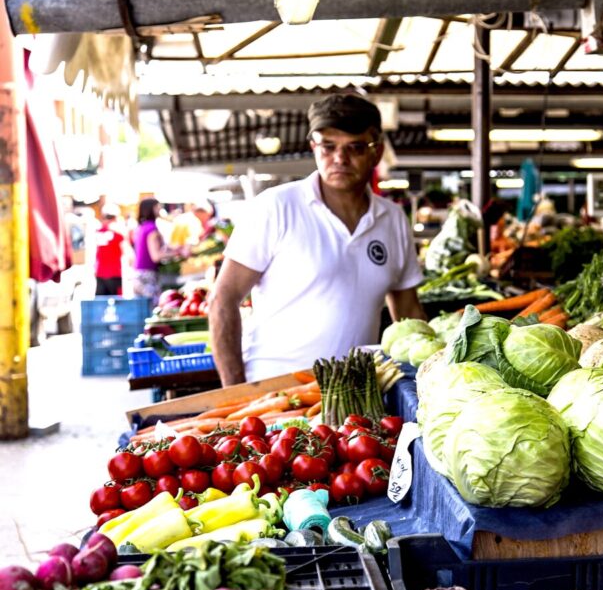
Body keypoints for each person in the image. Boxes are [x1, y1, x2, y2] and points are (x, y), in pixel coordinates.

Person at [210, 93, 427, 385]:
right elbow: (223, 299)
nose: (340, 158)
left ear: (377, 152)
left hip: (358, 395)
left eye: (355, 147)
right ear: (313, 147)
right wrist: (234, 391)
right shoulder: (276, 207)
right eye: (327, 146)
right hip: (274, 393)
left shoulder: (393, 220)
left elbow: (408, 313)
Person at [132, 198, 175, 302]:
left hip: (139, 274)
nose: (160, 210)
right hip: (148, 276)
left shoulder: (142, 227)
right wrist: (177, 253)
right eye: (158, 207)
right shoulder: (151, 229)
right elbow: (156, 256)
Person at [94, 203, 129, 295]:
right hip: (115, 273)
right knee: (116, 304)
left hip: (100, 272)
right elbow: (127, 253)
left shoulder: (98, 232)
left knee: (101, 303)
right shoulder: (118, 232)